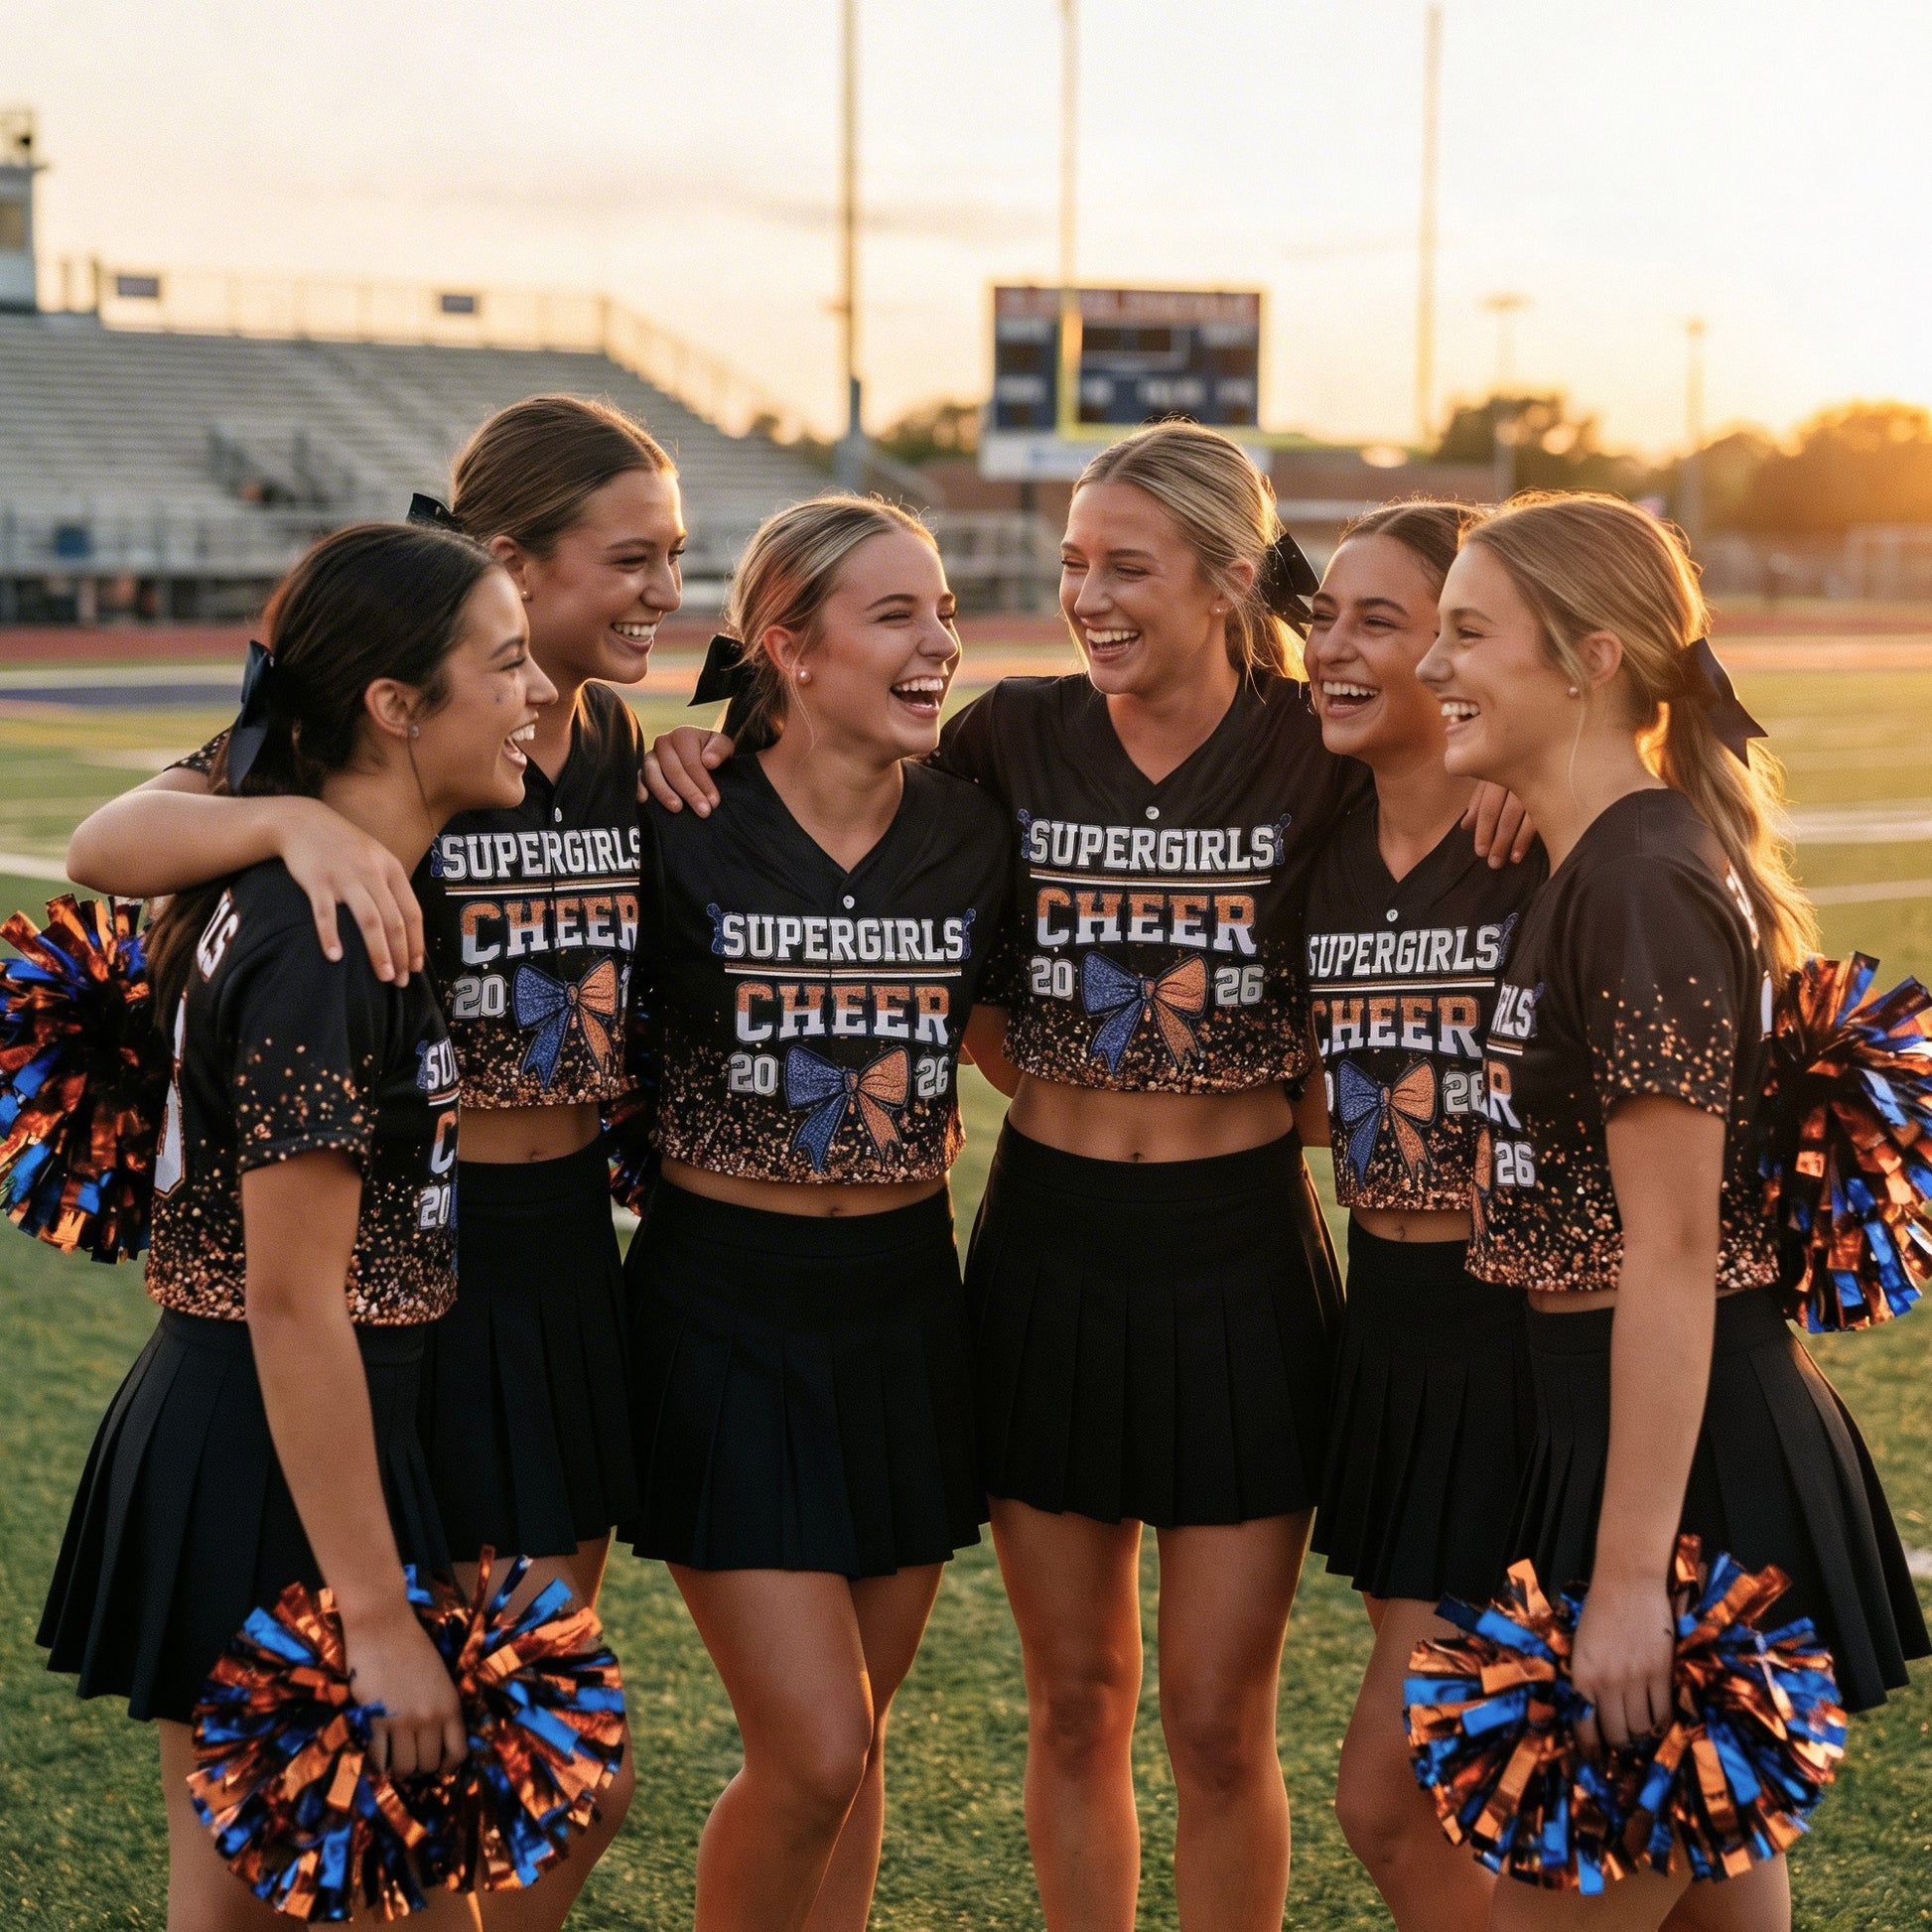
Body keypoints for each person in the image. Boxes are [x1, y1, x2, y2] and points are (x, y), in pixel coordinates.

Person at [64, 394, 680, 1930]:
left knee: (422, 1820)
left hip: (411, 1327)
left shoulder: (586, 759)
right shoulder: (325, 907)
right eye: (632, 558)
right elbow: (294, 1300)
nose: (666, 589)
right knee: (320, 1861)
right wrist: (289, 824)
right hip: (299, 1379)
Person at [1416, 491, 1928, 1931]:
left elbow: (1678, 1247)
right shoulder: (1602, 857)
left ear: (1586, 658)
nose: (1431, 666)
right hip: (1630, 1430)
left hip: (1681, 1466)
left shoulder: (1638, 881)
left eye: (1466, 634)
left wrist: (1631, 1579)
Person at [41, 522, 548, 1931]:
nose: (537, 693)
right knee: (274, 1902)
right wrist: (373, 1612)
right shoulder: (317, 935)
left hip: (286, 1429)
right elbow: (291, 1296)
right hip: (273, 1440)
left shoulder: (324, 886)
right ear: (394, 705)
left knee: (375, 1891)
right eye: (503, 664)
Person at [621, 495, 1009, 1932]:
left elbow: (1022, 1038)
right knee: (812, 1748)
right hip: (723, 1304)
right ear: (786, 646)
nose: (939, 644)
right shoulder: (684, 817)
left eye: (947, 611)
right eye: (897, 614)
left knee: (856, 1751)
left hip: (907, 1303)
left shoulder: (974, 835)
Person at [1297, 499, 1542, 1931]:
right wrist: (726, 721)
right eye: (1323, 615)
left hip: (1524, 1331)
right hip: (1386, 1337)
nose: (1330, 647)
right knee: (1473, 1788)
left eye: (1378, 622)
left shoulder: (1545, 836)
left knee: (1410, 1789)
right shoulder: (1313, 839)